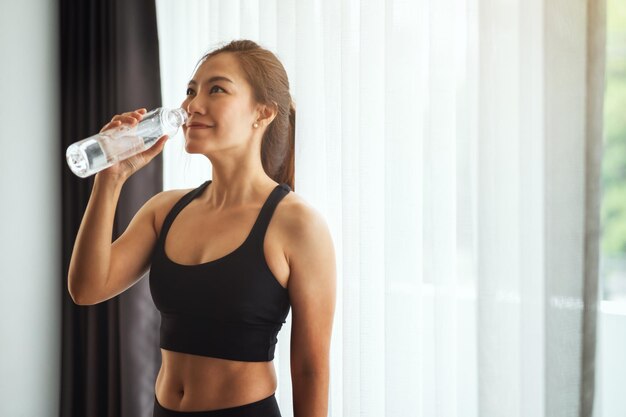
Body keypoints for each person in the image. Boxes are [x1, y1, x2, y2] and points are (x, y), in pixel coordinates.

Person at [67, 39, 336, 417]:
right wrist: (110, 179)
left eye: (216, 89)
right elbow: (87, 288)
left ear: (263, 113)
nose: (192, 105)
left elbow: (310, 369)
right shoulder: (166, 210)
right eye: (191, 91)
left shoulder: (297, 224)